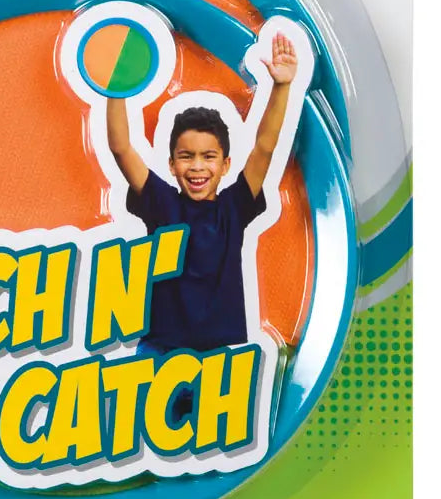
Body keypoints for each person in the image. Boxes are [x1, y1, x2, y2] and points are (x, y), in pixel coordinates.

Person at [104, 31, 299, 421]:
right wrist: (115, 85)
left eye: (208, 157)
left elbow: (264, 146)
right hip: (159, 353)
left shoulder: (234, 207)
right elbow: (121, 146)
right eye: (186, 156)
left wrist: (281, 87)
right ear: (171, 163)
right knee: (140, 440)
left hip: (219, 357)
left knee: (222, 445)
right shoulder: (160, 203)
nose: (197, 166)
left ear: (225, 165)